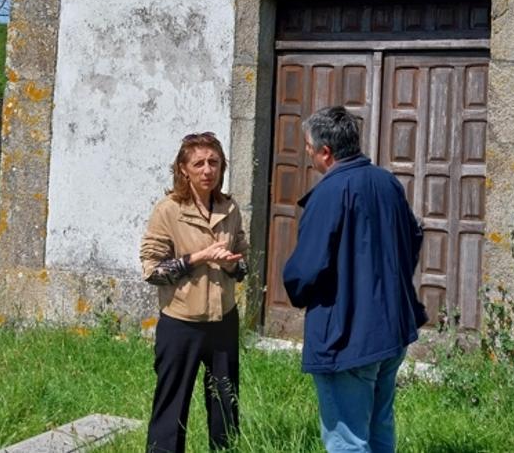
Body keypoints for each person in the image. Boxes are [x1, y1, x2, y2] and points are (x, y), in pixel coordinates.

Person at [282, 106, 427, 453]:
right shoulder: (387, 183)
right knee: (378, 430)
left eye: (308, 147)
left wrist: (298, 290)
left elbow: (305, 270)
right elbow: (413, 238)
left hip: (347, 337)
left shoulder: (329, 192)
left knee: (347, 440)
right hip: (391, 329)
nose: (307, 154)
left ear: (325, 152)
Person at [139, 132, 249, 453]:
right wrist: (199, 258)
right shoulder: (168, 210)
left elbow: (242, 267)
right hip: (181, 324)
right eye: (198, 163)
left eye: (213, 162)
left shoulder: (230, 209)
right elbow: (152, 270)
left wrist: (230, 264)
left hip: (223, 322)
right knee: (171, 408)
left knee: (225, 406)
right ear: (183, 169)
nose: (207, 170)